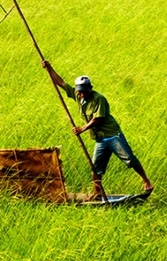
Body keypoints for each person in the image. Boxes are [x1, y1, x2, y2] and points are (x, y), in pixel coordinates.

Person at [41, 60, 152, 199]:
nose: (81, 94)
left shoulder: (99, 98)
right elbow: (61, 83)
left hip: (112, 135)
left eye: (84, 91)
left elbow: (97, 119)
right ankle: (97, 192)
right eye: (79, 91)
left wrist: (82, 129)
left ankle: (146, 181)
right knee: (96, 167)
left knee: (129, 158)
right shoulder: (78, 95)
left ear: (90, 88)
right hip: (100, 139)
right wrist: (49, 68)